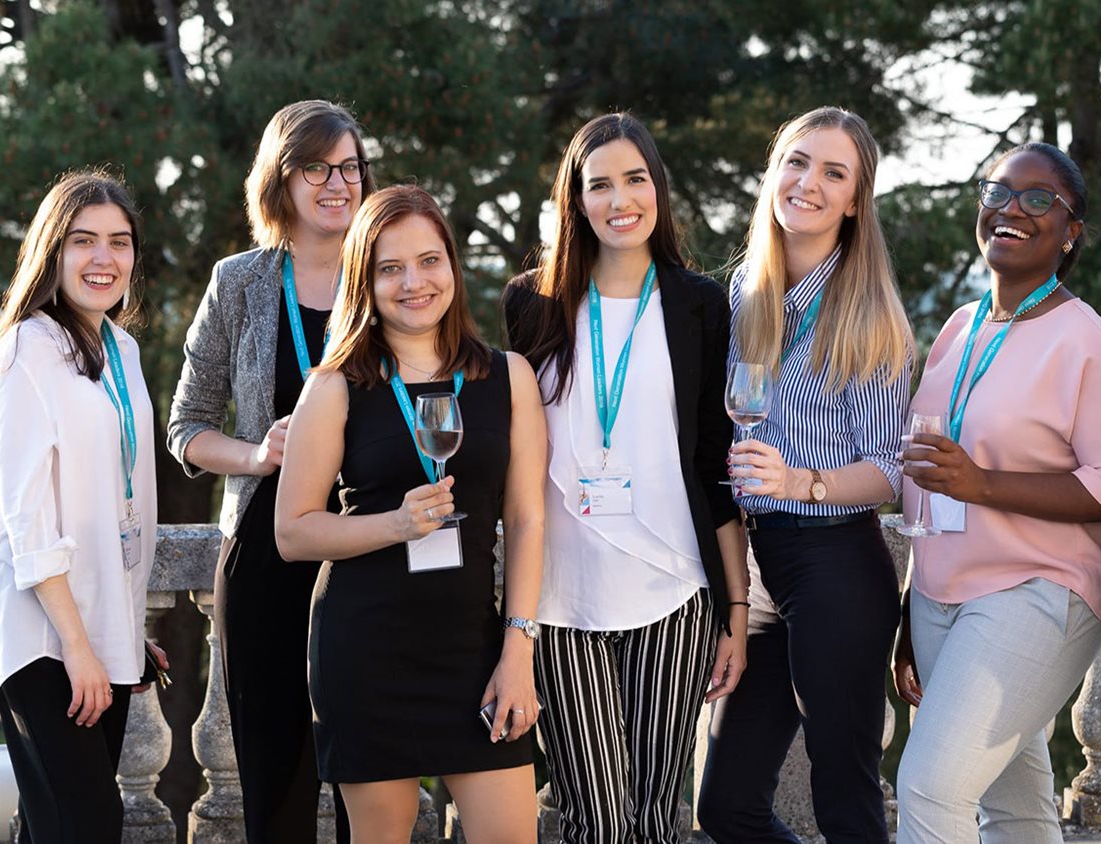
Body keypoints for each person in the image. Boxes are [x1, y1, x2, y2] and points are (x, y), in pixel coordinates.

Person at [503, 113, 750, 844]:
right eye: (600, 185)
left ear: (658, 188)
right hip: (561, 599)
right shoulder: (532, 303)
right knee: (598, 822)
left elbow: (712, 463)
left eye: (635, 179)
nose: (620, 200)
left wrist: (735, 612)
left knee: (654, 819)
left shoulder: (699, 303)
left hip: (674, 590)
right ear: (576, 201)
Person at [888, 143, 1101, 842]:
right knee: (1016, 803)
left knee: (930, 788)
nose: (1011, 209)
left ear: (1070, 232)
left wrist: (983, 484)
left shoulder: (1089, 343)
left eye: (1038, 199)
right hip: (941, 596)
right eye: (997, 192)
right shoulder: (958, 328)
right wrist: (910, 606)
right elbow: (927, 483)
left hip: (1039, 590)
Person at [276, 185, 546, 843]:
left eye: (429, 261)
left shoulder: (509, 377)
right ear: (364, 281)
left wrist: (518, 649)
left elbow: (529, 520)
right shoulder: (334, 385)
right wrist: (395, 525)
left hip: (476, 651)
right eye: (390, 268)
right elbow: (292, 531)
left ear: (453, 264)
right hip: (366, 652)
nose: (413, 283)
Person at [695, 106, 914, 843]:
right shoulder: (742, 295)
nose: (808, 182)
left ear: (855, 200)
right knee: (726, 808)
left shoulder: (869, 315)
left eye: (833, 172)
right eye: (797, 161)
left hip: (835, 564)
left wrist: (801, 482)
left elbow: (889, 471)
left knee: (846, 801)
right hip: (757, 570)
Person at [168, 99, 373, 842]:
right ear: (279, 179)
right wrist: (259, 455)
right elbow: (186, 426)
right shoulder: (239, 282)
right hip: (263, 547)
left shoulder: (387, 272)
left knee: (367, 774)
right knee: (274, 778)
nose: (337, 184)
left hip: (368, 544)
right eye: (316, 167)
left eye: (350, 167)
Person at [0, 171, 165, 842]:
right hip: (42, 631)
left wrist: (122, 629)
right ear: (52, 251)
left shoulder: (122, 348)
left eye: (119, 242)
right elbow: (27, 515)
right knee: (88, 824)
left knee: (58, 826)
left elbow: (113, 501)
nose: (104, 258)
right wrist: (79, 645)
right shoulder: (28, 346)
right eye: (83, 240)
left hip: (94, 627)